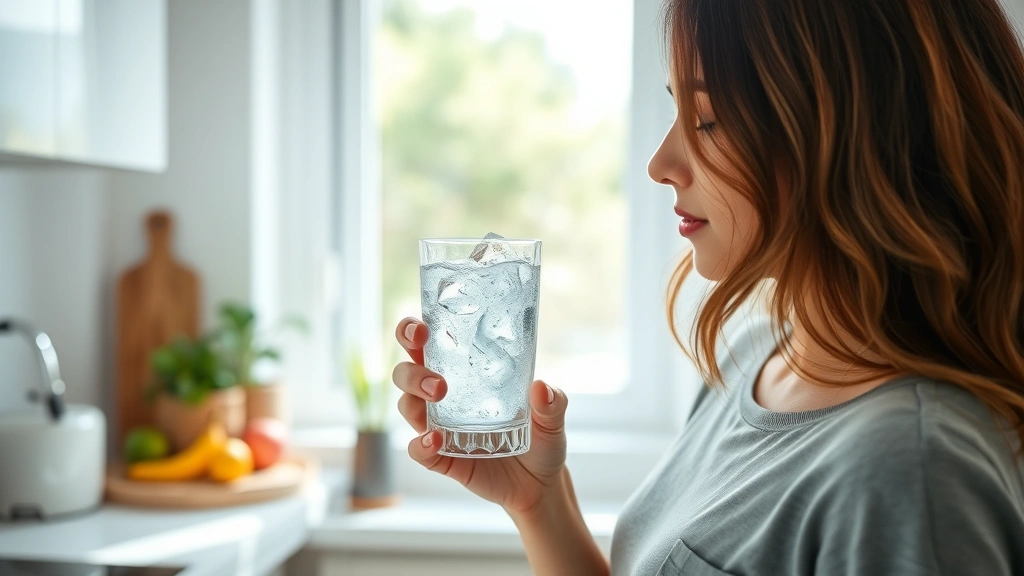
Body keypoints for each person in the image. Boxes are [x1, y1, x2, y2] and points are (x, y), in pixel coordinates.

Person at [391, 0, 1024, 573]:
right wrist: (538, 502)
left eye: (709, 119)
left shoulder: (910, 470)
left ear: (857, 133)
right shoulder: (755, 353)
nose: (661, 163)